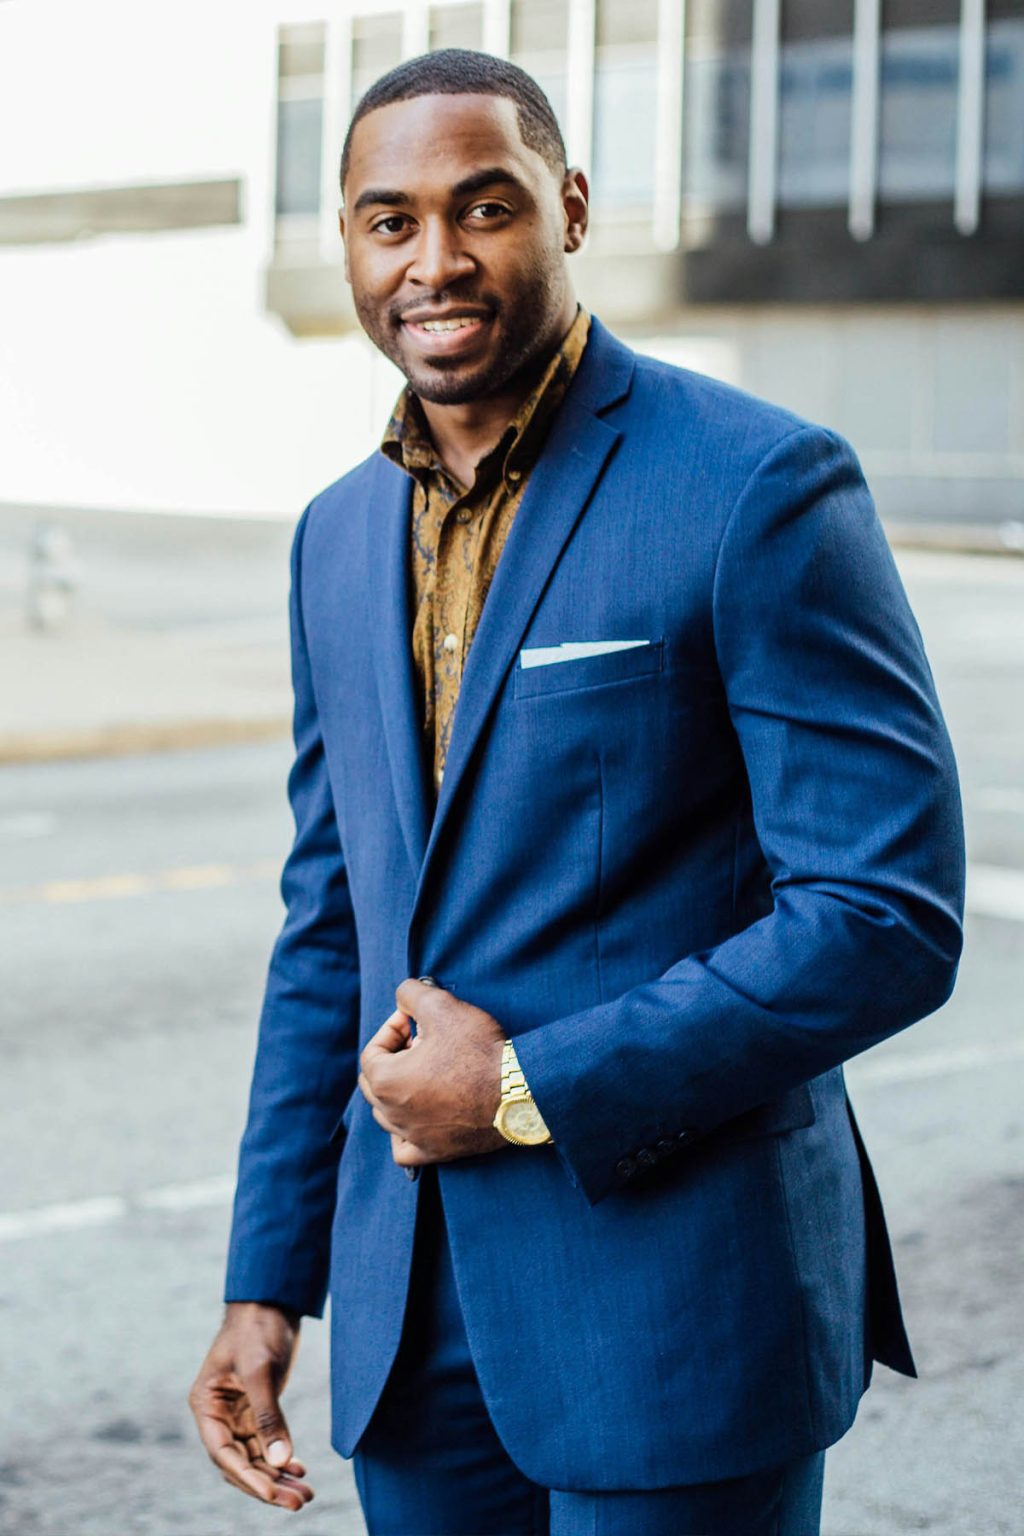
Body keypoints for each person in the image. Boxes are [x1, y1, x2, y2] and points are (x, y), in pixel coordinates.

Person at [189, 49, 965, 1536]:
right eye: (390, 220)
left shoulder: (755, 483)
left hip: (678, 1306)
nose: (438, 260)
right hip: (412, 1323)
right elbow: (330, 932)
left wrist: (530, 1087)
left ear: (572, 210)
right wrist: (267, 1282)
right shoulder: (335, 539)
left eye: (486, 207)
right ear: (345, 244)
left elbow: (885, 914)